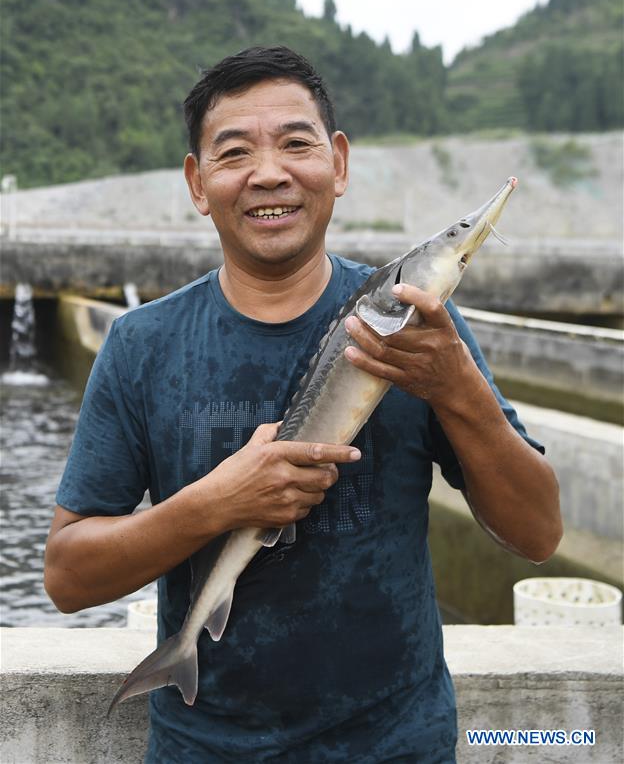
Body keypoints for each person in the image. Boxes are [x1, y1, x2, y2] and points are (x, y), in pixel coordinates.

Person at [45, 46, 562, 763]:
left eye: (296, 143)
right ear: (198, 183)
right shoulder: (142, 345)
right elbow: (68, 577)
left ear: (338, 163)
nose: (269, 173)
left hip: (398, 749)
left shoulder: (423, 333)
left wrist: (456, 385)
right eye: (235, 152)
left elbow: (538, 534)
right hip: (206, 751)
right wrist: (214, 504)